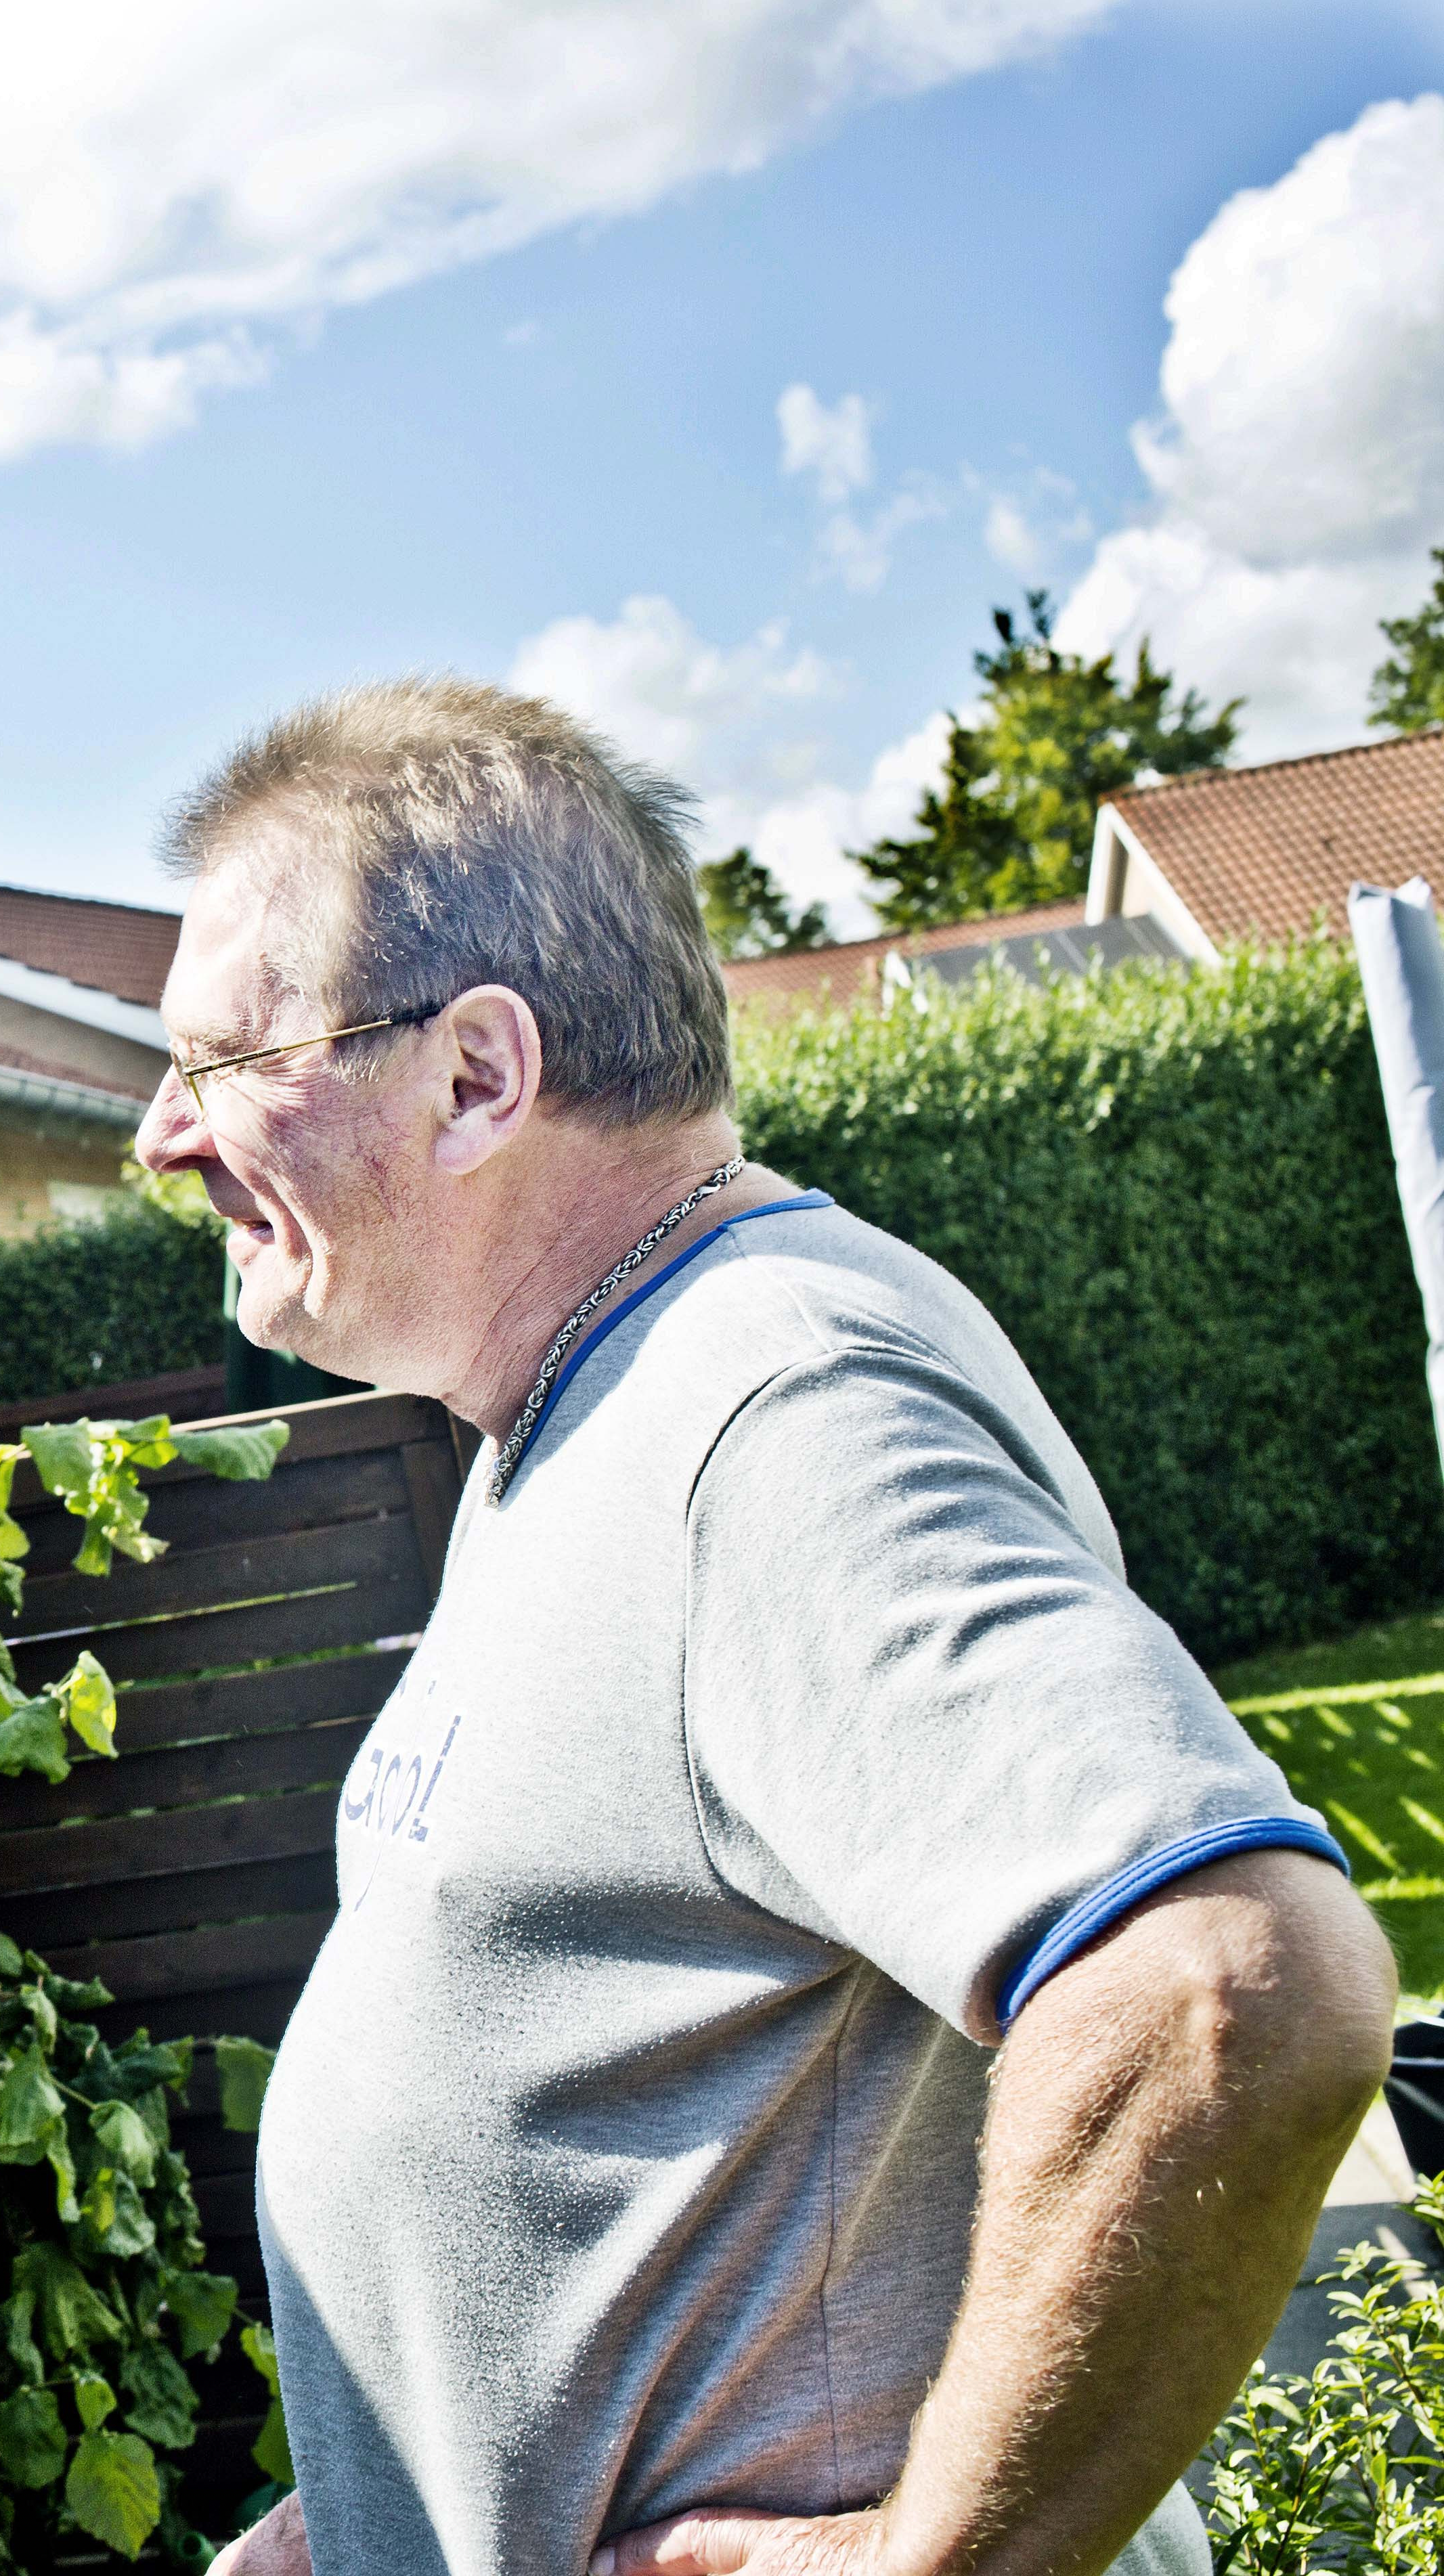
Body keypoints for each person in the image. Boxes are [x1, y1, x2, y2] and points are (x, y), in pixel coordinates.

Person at [141, 683, 1392, 2576]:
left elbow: (1227, 1986)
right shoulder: (582, 1420)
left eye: (223, 1060)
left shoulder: (766, 1410)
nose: (163, 1138)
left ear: (478, 1075)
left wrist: (929, 2569)